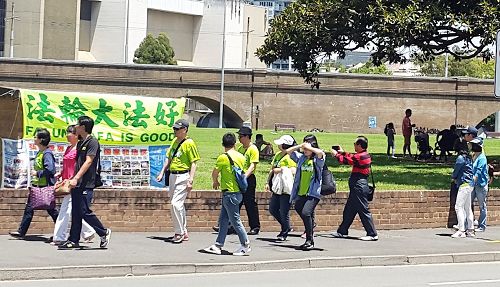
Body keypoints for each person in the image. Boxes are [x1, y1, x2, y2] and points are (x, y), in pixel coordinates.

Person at [59, 116, 111, 249]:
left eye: (77, 124)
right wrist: (72, 177)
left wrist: (77, 177)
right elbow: (78, 163)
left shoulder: (92, 142)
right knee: (76, 211)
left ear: (83, 127)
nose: (75, 126)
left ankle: (103, 232)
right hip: (77, 181)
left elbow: (89, 161)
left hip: (86, 182)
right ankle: (73, 240)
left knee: (84, 211)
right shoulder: (81, 142)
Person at [204, 133, 251, 256]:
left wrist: (215, 181)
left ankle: (245, 244)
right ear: (235, 143)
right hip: (237, 192)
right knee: (224, 220)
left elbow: (215, 173)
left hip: (229, 193)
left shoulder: (223, 157)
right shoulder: (241, 157)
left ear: (223, 144)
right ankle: (218, 245)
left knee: (235, 220)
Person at [9, 128, 59, 238]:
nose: (34, 139)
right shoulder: (40, 153)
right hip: (37, 186)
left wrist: (37, 173)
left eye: (35, 137)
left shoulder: (47, 154)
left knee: (52, 210)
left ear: (41, 139)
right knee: (29, 209)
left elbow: (50, 170)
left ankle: (62, 231)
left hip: (45, 186)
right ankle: (21, 232)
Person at [156, 119, 200, 243]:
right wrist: (161, 172)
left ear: (185, 130)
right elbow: (168, 158)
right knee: (177, 205)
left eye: (177, 129)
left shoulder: (189, 143)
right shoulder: (174, 141)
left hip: (183, 175)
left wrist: (190, 179)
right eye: (174, 129)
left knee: (175, 204)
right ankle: (184, 231)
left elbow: (194, 162)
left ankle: (179, 232)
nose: (174, 131)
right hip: (173, 175)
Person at [52, 125, 96, 245]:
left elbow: (80, 165)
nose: (67, 135)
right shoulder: (68, 148)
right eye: (67, 132)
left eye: (70, 133)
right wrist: (60, 174)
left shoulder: (79, 149)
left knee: (66, 210)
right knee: (73, 211)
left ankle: (59, 237)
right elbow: (67, 165)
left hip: (74, 183)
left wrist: (75, 178)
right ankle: (88, 232)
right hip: (66, 181)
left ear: (77, 135)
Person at [331, 136, 378, 241]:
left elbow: (348, 160)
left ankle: (372, 233)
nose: (354, 146)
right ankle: (342, 231)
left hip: (359, 186)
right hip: (358, 185)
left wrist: (337, 155)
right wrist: (342, 152)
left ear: (360, 145)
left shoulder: (360, 157)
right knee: (349, 209)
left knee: (363, 209)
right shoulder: (364, 155)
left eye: (355, 144)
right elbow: (352, 157)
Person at [286, 134, 325, 250]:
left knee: (306, 213)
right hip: (301, 192)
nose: (305, 150)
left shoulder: (317, 160)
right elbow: (288, 151)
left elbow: (320, 153)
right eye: (304, 149)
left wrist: (310, 148)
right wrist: (300, 145)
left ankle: (309, 240)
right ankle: (310, 225)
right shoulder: (301, 158)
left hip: (313, 192)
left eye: (307, 149)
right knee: (298, 208)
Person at [264, 135, 297, 241]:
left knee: (284, 210)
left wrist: (281, 169)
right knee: (273, 209)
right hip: (277, 186)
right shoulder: (278, 155)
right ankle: (286, 226)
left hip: (286, 187)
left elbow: (293, 171)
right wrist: (267, 182)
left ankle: (284, 231)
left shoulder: (291, 156)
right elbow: (272, 169)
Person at [236, 126, 261, 235]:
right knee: (236, 202)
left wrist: (244, 177)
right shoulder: (241, 149)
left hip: (248, 178)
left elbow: (253, 165)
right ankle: (231, 225)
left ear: (247, 137)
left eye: (241, 136)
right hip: (240, 176)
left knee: (249, 203)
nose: (239, 138)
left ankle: (255, 226)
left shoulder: (253, 149)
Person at [450, 144, 474, 238]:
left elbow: (456, 170)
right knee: (467, 207)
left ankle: (461, 230)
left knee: (458, 207)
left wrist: (453, 177)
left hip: (464, 184)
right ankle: (470, 229)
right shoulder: (468, 158)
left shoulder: (460, 158)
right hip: (470, 184)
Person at [470, 137, 489, 232]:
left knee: (482, 206)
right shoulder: (474, 156)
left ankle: (482, 226)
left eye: (475, 145)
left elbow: (478, 172)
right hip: (474, 184)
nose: (473, 146)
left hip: (481, 185)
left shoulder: (482, 158)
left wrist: (472, 181)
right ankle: (469, 224)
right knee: (468, 203)